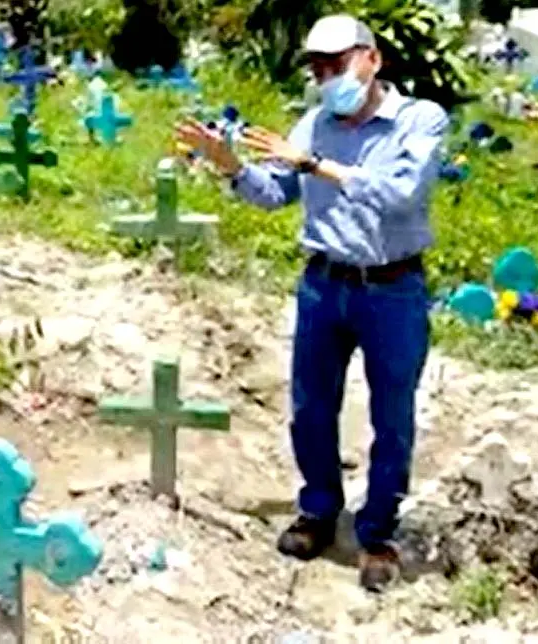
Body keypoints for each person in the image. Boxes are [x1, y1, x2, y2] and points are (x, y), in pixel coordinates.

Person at [176, 14, 448, 592]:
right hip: (324, 283)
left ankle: (377, 532)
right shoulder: (312, 123)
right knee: (310, 406)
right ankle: (320, 510)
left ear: (371, 60)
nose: (328, 77)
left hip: (393, 287)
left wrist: (316, 165)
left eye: (338, 63)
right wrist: (230, 166)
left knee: (391, 414)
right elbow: (276, 192)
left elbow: (403, 196)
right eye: (319, 68)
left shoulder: (419, 120)